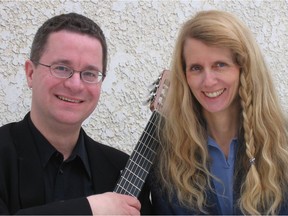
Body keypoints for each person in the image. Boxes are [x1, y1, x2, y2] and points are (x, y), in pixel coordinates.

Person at [0, 13, 151, 215]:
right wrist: (90, 209)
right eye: (62, 68)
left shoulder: (122, 169)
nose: (75, 84)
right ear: (30, 73)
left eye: (89, 73)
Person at [150, 10, 288, 215]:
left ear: (244, 69)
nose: (208, 81)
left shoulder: (282, 144)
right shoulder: (165, 156)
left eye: (220, 65)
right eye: (196, 68)